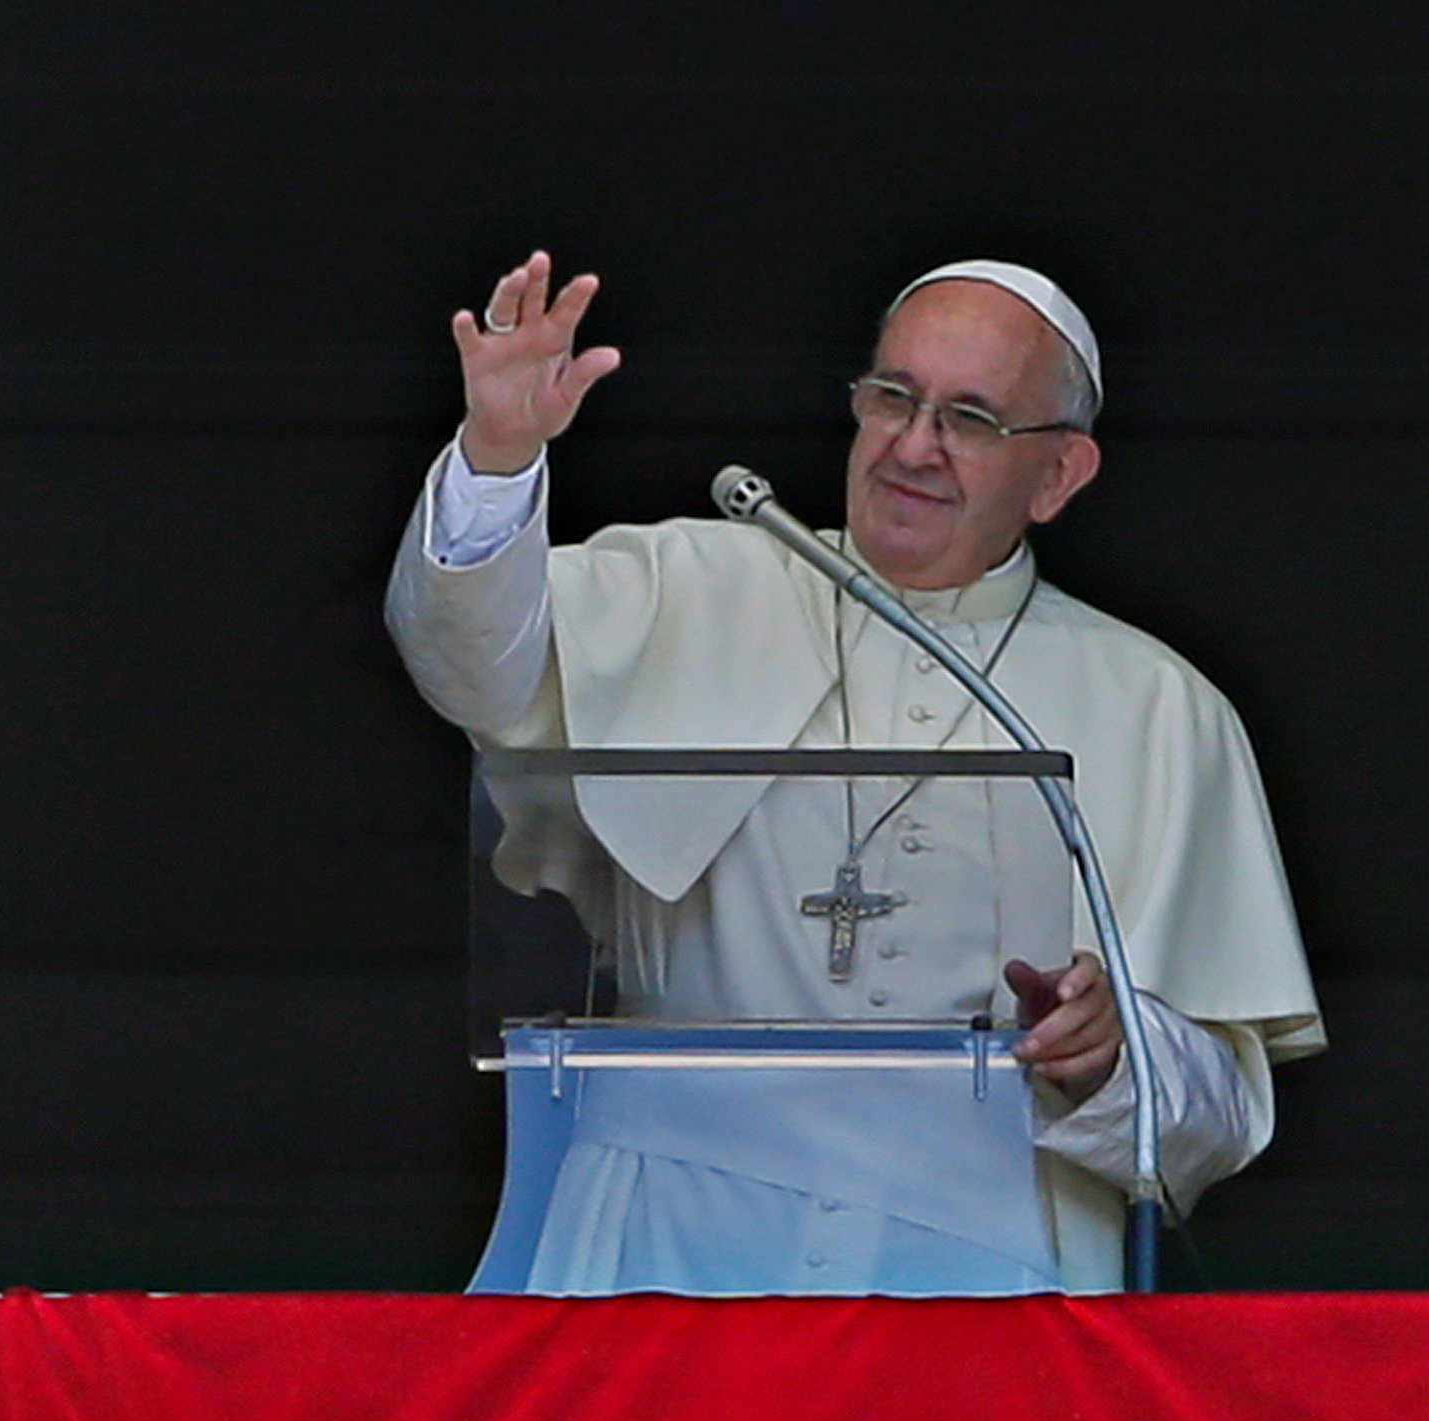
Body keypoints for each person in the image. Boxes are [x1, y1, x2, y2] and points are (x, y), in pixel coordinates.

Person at [390, 251, 1322, 1294]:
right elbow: (469, 665)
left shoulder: (1158, 708)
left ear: (1058, 474)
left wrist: (1110, 1053)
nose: (913, 448)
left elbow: (1216, 1120)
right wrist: (499, 455)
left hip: (980, 1271)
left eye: (969, 420)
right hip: (660, 1240)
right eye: (893, 397)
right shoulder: (695, 587)